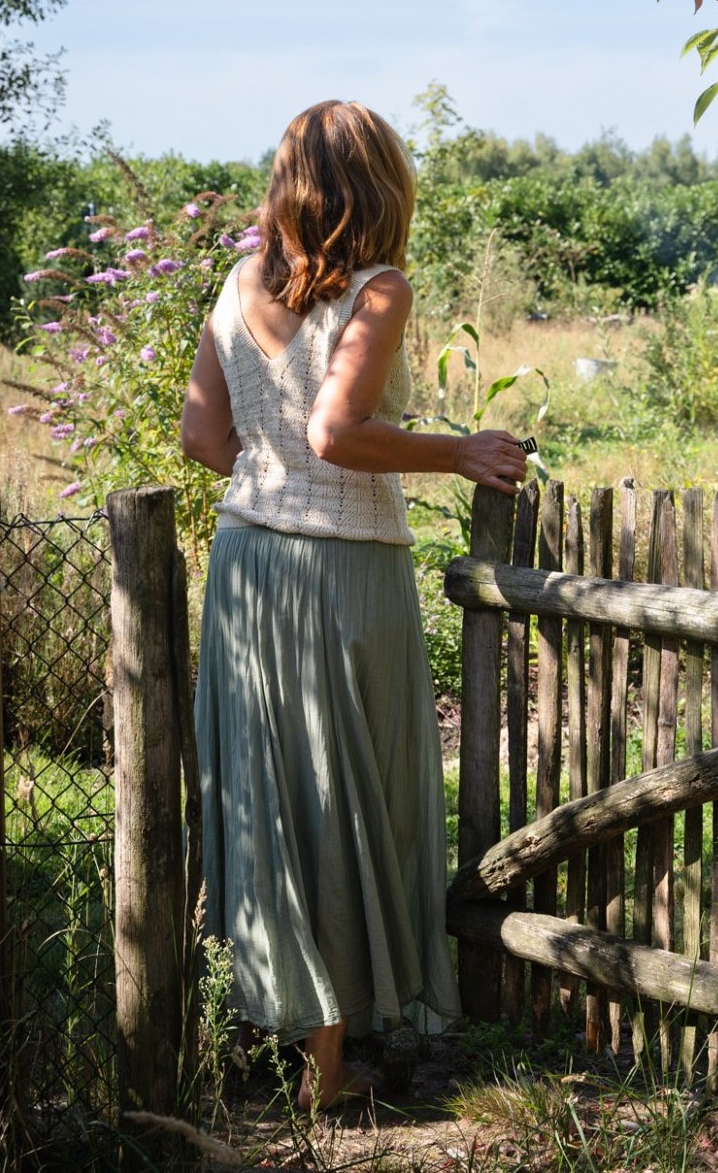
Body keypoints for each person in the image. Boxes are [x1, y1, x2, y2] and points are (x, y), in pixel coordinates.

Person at [180, 99, 527, 1112]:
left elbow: (203, 440)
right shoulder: (379, 290)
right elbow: (334, 431)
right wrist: (458, 452)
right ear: (378, 186)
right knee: (344, 795)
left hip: (246, 565)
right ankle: (329, 1069)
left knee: (268, 795)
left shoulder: (238, 283)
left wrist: (275, 483)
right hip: (342, 577)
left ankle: (278, 1035)